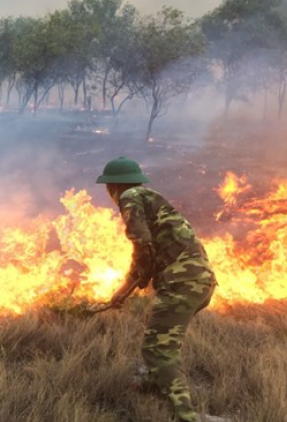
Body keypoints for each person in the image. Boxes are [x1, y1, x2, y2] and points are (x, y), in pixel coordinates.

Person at [95, 156, 216, 422]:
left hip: (182, 282)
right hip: (199, 282)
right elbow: (146, 257)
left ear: (113, 186)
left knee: (158, 349)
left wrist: (129, 285)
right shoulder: (151, 197)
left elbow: (142, 243)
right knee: (157, 335)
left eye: (108, 188)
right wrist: (125, 291)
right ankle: (152, 386)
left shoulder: (130, 197)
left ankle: (186, 415)